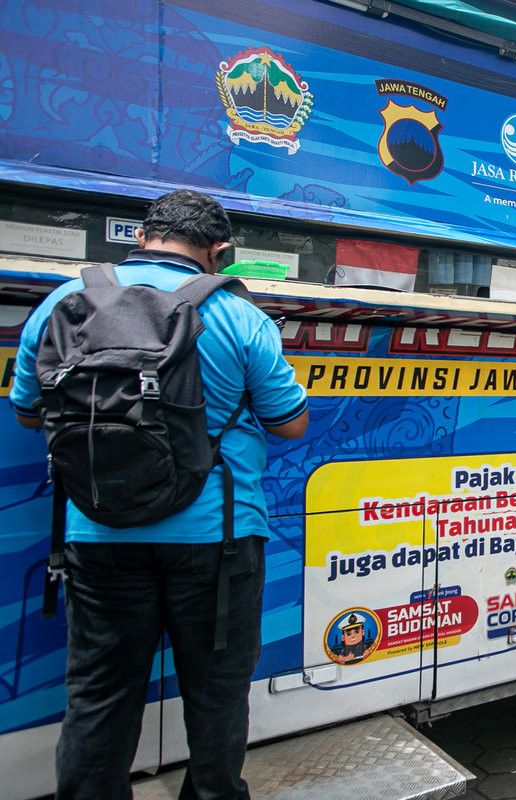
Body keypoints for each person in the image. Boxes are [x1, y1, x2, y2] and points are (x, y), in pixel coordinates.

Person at [10, 189, 309, 799]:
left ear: (143, 236)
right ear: (218, 251)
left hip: (98, 530)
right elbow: (289, 423)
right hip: (217, 539)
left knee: (99, 693)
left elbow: (27, 411)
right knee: (216, 692)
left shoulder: (62, 304)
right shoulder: (239, 317)